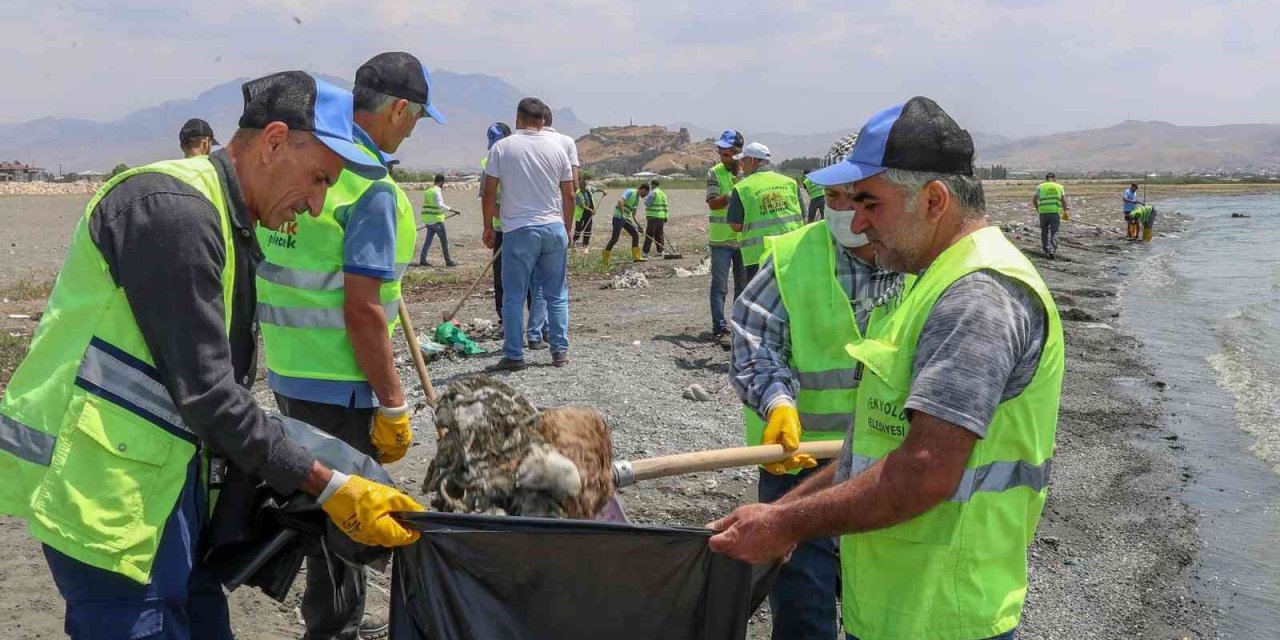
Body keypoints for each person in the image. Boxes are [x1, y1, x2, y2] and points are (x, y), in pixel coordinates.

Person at [0, 71, 425, 640]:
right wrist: (329, 485)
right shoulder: (174, 212)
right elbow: (210, 395)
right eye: (320, 179)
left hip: (165, 480)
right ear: (275, 141)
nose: (320, 204)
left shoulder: (228, 218)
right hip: (101, 488)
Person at [710, 97, 1064, 640]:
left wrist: (783, 520)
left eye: (871, 202)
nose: (856, 220)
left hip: (943, 615)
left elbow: (922, 472)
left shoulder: (978, 298)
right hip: (901, 609)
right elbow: (879, 450)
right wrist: (789, 513)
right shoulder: (934, 281)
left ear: (934, 199)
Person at [256, 53, 445, 640]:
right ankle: (334, 631)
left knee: (316, 503)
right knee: (353, 518)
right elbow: (363, 311)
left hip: (287, 371)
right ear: (398, 110)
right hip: (342, 383)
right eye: (414, 119)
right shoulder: (368, 185)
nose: (413, 129)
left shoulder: (300, 165)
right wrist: (393, 404)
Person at [728, 133, 909, 640]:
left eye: (855, 197)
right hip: (798, 466)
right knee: (803, 609)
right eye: (832, 198)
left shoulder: (918, 265)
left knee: (880, 607)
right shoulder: (793, 258)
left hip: (886, 469)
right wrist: (777, 403)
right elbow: (754, 337)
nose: (842, 210)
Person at [482, 97, 574, 371]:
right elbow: (570, 195)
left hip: (519, 231)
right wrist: (568, 229)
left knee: (514, 295)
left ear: (518, 118)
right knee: (556, 294)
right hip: (554, 228)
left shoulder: (502, 148)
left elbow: (488, 193)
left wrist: (487, 226)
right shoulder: (557, 149)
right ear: (543, 121)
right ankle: (560, 352)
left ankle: (514, 354)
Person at [728, 142, 804, 280]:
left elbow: (735, 225)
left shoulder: (742, 188)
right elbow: (802, 217)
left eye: (743, 161)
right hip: (790, 253)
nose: (741, 165)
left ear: (752, 161)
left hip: (758, 256)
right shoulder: (790, 183)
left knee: (761, 299)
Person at [707, 129, 745, 348]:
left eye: (727, 154)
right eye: (721, 154)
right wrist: (735, 194)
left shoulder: (749, 175)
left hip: (743, 240)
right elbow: (713, 203)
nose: (723, 158)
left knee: (743, 286)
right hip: (721, 240)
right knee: (720, 285)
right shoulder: (714, 173)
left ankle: (740, 325)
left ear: (738, 153)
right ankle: (719, 326)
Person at [480, 122, 512, 320]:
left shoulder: (520, 157)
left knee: (528, 278)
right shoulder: (488, 162)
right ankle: (504, 319)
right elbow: (487, 198)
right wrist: (489, 227)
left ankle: (536, 325)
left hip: (521, 228)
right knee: (501, 278)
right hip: (502, 230)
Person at [602, 182, 649, 266]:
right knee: (615, 238)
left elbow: (634, 215)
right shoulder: (630, 191)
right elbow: (620, 201)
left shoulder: (638, 199)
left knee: (635, 234)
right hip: (618, 217)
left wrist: (639, 225)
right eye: (646, 193)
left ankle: (636, 256)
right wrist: (623, 214)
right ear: (644, 189)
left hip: (626, 218)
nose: (646, 195)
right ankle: (605, 258)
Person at [420, 173, 461, 266]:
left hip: (428, 220)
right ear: (442, 182)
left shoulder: (428, 191)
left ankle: (422, 259)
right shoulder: (437, 191)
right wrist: (453, 210)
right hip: (437, 221)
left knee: (428, 241)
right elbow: (440, 205)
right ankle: (448, 261)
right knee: (444, 241)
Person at [1032, 172, 1068, 258]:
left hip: (1043, 213)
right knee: (1054, 231)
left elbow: (1034, 200)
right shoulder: (1059, 187)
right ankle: (1052, 250)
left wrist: (1038, 209)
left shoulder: (1040, 187)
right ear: (1054, 179)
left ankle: (1046, 250)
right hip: (1054, 212)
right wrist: (1065, 211)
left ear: (1046, 179)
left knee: (1044, 232)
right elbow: (1063, 200)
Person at [573, 174, 606, 246]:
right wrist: (591, 210)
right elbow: (582, 206)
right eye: (580, 187)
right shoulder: (577, 194)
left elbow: (596, 189)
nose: (582, 189)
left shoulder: (589, 188)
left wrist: (603, 191)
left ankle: (585, 243)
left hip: (589, 212)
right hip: (581, 213)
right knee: (578, 228)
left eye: (583, 187)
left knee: (588, 228)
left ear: (585, 186)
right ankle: (574, 240)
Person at [642, 179, 669, 257]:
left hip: (653, 216)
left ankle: (645, 252)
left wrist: (645, 197)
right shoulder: (662, 193)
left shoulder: (653, 193)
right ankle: (660, 251)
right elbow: (666, 206)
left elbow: (647, 204)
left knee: (649, 234)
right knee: (659, 234)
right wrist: (666, 216)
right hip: (661, 217)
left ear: (652, 185)